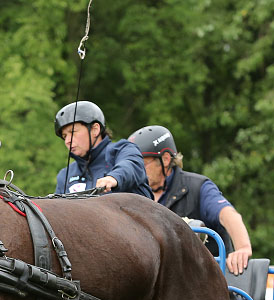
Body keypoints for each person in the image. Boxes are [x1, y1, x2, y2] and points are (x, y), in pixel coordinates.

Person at [128, 125, 252, 276]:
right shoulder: (135, 195)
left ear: (166, 159)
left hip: (205, 280)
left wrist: (243, 248)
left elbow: (229, 215)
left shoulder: (197, 187)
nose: (137, 171)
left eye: (142, 164)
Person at [54, 101, 152, 199]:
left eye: (73, 132)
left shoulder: (123, 149)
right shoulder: (65, 175)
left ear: (95, 129)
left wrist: (114, 178)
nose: (67, 141)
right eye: (64, 136)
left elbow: (131, 165)